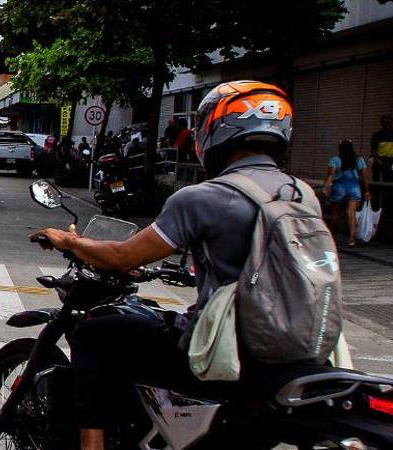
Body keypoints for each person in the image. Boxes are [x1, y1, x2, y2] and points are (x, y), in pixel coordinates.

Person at [30, 81, 303, 450]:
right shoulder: (302, 195)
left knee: (94, 332)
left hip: (224, 348)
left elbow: (123, 256)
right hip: (291, 346)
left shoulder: (206, 196)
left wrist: (70, 241)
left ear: (215, 129)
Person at [324, 139, 371, 247]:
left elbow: (330, 174)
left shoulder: (335, 160)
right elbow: (364, 177)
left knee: (335, 212)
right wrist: (367, 191)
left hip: (339, 186)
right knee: (351, 213)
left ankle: (333, 238)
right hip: (354, 187)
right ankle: (351, 239)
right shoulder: (359, 160)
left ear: (340, 149)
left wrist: (326, 187)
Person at [370, 115, 393, 182]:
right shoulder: (377, 135)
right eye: (386, 123)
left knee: (390, 181)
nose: (389, 125)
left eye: (390, 123)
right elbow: (373, 149)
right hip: (380, 162)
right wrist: (378, 160)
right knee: (377, 181)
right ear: (382, 124)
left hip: (392, 162)